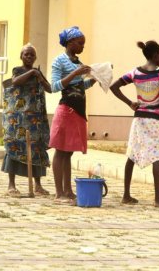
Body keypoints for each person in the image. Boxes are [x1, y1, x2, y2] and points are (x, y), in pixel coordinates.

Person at [110, 40, 159, 208]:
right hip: (156, 119)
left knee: (132, 154)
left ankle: (126, 195)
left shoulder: (135, 73)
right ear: (155, 55)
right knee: (156, 157)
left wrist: (130, 103)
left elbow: (114, 87)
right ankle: (158, 199)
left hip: (138, 119)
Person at [49, 26, 96, 204]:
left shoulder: (77, 61)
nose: (83, 46)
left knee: (68, 153)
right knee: (60, 151)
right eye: (80, 43)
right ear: (70, 43)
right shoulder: (59, 61)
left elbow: (79, 86)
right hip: (66, 110)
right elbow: (54, 86)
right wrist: (76, 73)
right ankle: (58, 192)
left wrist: (93, 79)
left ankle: (68, 190)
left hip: (78, 111)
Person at [1, 43, 52, 197]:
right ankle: (11, 185)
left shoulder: (38, 72)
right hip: (18, 117)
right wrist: (31, 73)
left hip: (35, 118)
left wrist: (40, 77)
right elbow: (15, 82)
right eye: (26, 54)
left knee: (36, 148)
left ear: (35, 57)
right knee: (15, 146)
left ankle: (38, 185)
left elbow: (49, 89)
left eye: (31, 55)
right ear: (21, 56)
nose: (29, 57)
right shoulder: (18, 70)